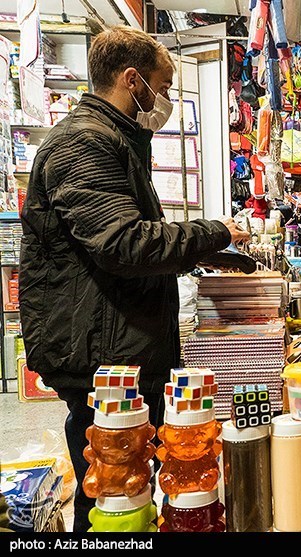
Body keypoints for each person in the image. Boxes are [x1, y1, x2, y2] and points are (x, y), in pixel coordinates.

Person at [18, 26, 250, 532]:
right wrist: (214, 232)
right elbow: (123, 244)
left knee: (136, 497)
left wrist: (204, 255)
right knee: (111, 500)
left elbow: (123, 248)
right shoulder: (84, 143)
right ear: (132, 81)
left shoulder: (115, 140)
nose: (165, 100)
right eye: (163, 88)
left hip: (122, 348)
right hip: (103, 360)